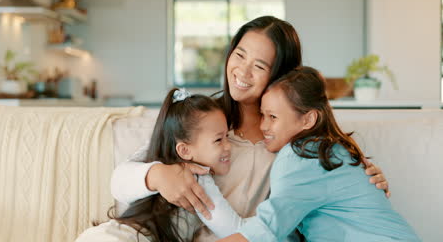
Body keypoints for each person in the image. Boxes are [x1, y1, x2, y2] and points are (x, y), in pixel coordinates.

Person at [111, 16, 390, 241]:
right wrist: (157, 174)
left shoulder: (301, 146)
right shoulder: (207, 120)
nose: (242, 72)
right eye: (239, 55)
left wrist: (366, 181)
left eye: (259, 66)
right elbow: (120, 181)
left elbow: (342, 194)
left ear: (281, 76)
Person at [216, 67, 420, 242]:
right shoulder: (329, 149)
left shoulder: (300, 155)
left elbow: (267, 228)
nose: (264, 126)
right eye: (263, 115)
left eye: (273, 117)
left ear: (308, 120)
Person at [76, 88, 241, 241]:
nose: (228, 146)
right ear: (184, 150)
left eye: (227, 136)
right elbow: (233, 230)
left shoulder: (158, 156)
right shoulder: (199, 179)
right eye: (219, 140)